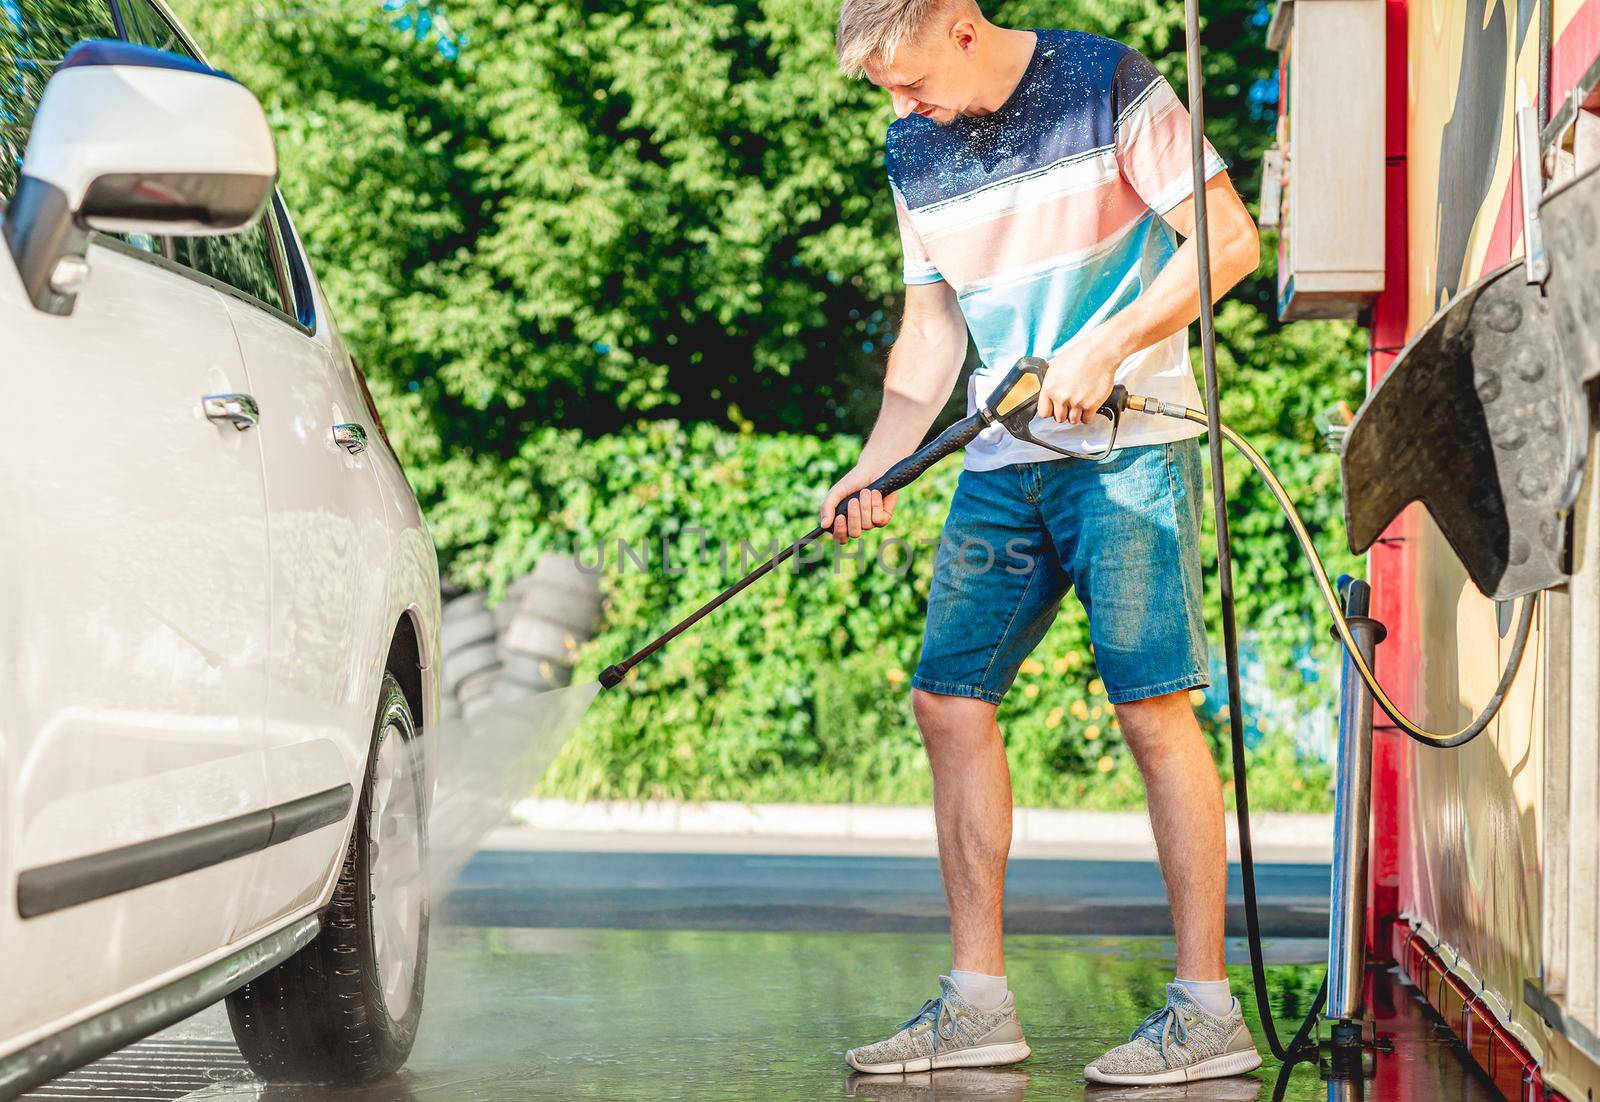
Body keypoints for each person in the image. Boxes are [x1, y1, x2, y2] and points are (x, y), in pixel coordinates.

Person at [823, 0, 1263, 1086]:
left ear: (961, 26)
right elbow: (931, 331)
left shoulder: (1105, 83)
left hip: (1129, 450)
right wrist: (877, 458)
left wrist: (1108, 343)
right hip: (1000, 461)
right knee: (947, 698)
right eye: (882, 88)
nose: (899, 101)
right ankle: (977, 1003)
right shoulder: (911, 146)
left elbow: (1230, 239)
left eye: (907, 75)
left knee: (1151, 707)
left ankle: (1207, 1011)